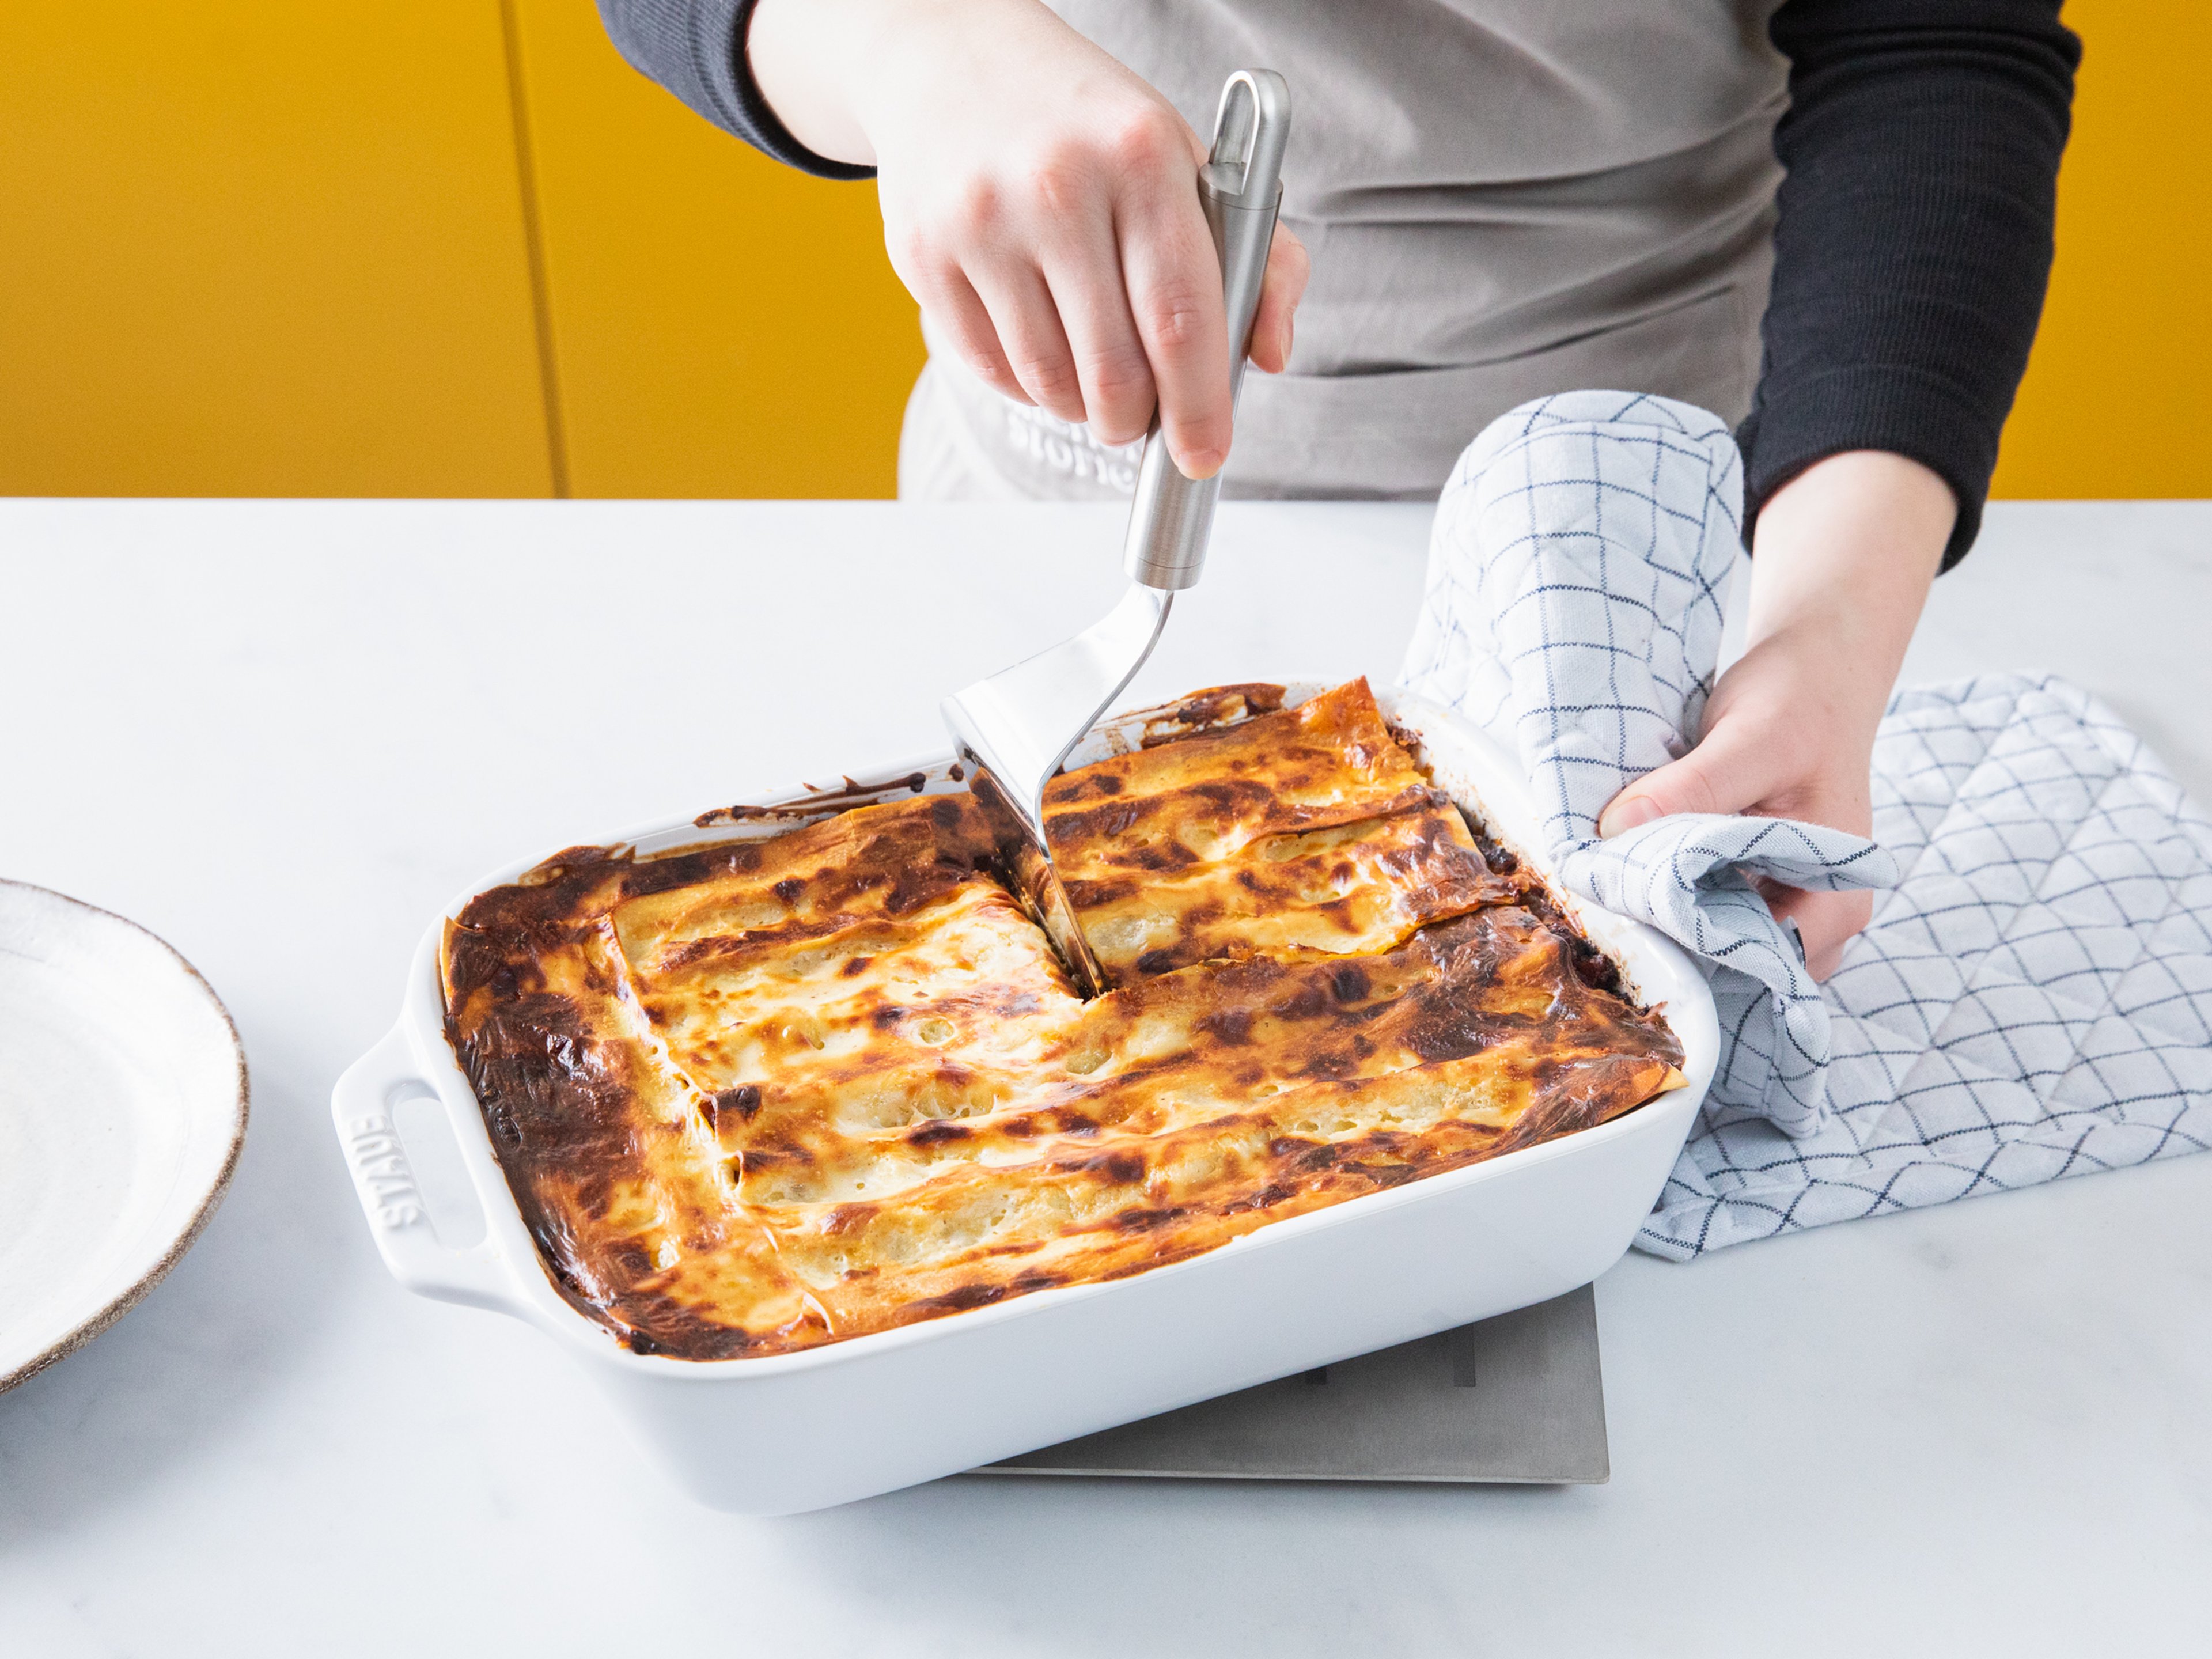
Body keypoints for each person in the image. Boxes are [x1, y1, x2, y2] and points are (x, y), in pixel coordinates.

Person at [597, 0, 2078, 978]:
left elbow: (1938, 41)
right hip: (1044, 508)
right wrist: (905, 43)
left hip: (1650, 558)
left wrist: (1826, 636)